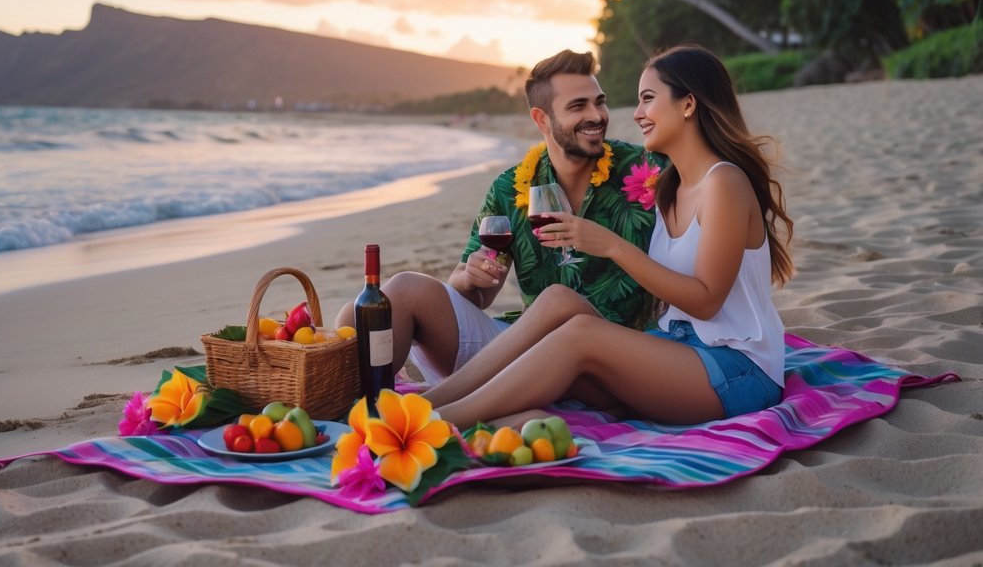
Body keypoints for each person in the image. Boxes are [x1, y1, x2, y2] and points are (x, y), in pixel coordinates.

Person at [423, 44, 794, 428]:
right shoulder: (670, 186)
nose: (636, 115)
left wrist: (611, 246)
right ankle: (431, 402)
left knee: (580, 334)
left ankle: (438, 424)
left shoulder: (724, 183)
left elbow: (706, 303)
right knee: (557, 301)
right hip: (678, 350)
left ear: (688, 104)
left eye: (648, 100)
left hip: (738, 371)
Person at [335, 49, 665, 384]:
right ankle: (353, 416)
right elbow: (475, 295)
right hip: (524, 347)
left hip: (613, 355)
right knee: (371, 307)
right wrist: (470, 278)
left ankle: (430, 407)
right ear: (541, 119)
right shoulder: (510, 187)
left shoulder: (646, 170)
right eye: (578, 106)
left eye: (600, 101)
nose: (597, 115)